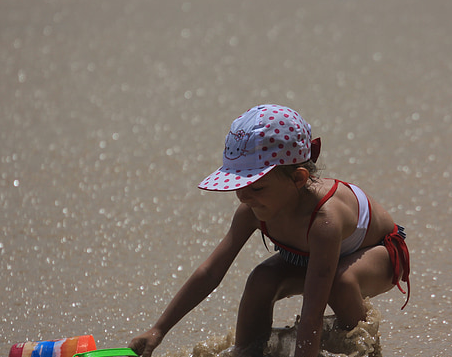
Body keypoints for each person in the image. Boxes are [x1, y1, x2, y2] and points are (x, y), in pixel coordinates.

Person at [128, 104, 410, 357]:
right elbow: (211, 272)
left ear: (299, 178)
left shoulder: (325, 219)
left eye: (256, 187)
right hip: (312, 257)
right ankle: (247, 352)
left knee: (340, 282)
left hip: (379, 254)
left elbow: (312, 310)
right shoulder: (251, 210)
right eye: (237, 185)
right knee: (261, 279)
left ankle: (365, 352)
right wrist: (158, 330)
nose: (243, 196)